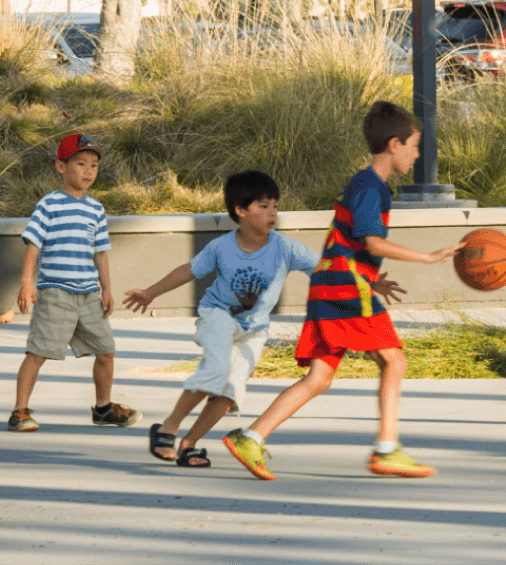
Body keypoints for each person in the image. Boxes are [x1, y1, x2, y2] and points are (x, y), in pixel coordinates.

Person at [222, 101, 463, 481]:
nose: (417, 155)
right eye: (414, 146)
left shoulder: (365, 184)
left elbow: (346, 242)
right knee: (394, 361)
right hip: (345, 291)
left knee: (319, 378)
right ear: (394, 144)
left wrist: (372, 279)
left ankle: (251, 437)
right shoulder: (371, 187)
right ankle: (387, 449)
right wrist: (429, 257)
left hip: (335, 285)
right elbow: (372, 243)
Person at [123, 170, 361, 468]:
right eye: (263, 206)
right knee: (217, 370)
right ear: (240, 210)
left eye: (275, 205)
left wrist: (364, 286)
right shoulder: (222, 247)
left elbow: (324, 269)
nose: (272, 212)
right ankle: (169, 427)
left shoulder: (284, 247)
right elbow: (188, 270)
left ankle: (189, 444)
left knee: (229, 394)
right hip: (218, 315)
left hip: (254, 330)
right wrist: (151, 292)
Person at [9, 133, 139, 432]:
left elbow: (101, 252)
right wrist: (27, 282)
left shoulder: (96, 209)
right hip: (55, 291)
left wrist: (106, 288)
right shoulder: (49, 204)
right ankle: (19, 411)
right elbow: (33, 244)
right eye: (80, 163)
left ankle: (103, 409)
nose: (88, 171)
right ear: (61, 166)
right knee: (38, 352)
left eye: (93, 165)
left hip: (89, 294)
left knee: (106, 351)